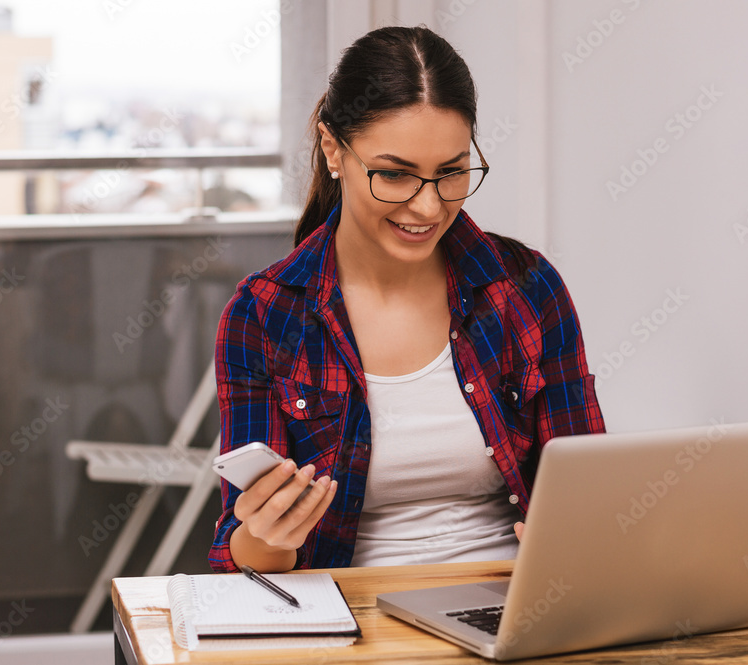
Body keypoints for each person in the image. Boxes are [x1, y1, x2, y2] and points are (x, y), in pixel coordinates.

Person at [209, 25, 605, 574]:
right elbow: (242, 555)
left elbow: (588, 489)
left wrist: (581, 538)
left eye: (451, 172)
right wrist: (268, 535)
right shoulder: (264, 315)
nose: (427, 208)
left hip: (518, 604)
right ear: (333, 150)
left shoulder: (528, 287)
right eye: (394, 175)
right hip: (352, 612)